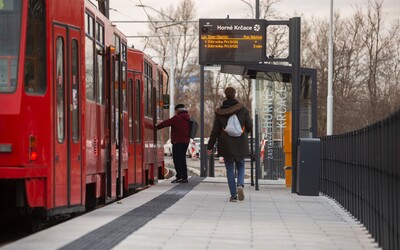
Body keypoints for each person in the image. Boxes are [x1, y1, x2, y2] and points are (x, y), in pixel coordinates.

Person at [207, 87, 252, 202]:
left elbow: (215, 130)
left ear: (225, 95)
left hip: (226, 143)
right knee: (241, 165)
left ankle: (233, 195)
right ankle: (240, 185)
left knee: (229, 169)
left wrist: (210, 146)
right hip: (241, 142)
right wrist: (244, 132)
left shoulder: (220, 112)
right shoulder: (243, 109)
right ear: (235, 94)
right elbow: (250, 126)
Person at [157, 104, 190, 183]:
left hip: (177, 142)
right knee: (182, 159)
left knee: (177, 160)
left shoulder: (177, 118)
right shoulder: (187, 117)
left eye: (176, 111)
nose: (176, 112)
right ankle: (184, 177)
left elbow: (166, 123)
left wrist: (157, 127)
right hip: (186, 142)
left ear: (178, 110)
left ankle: (179, 177)